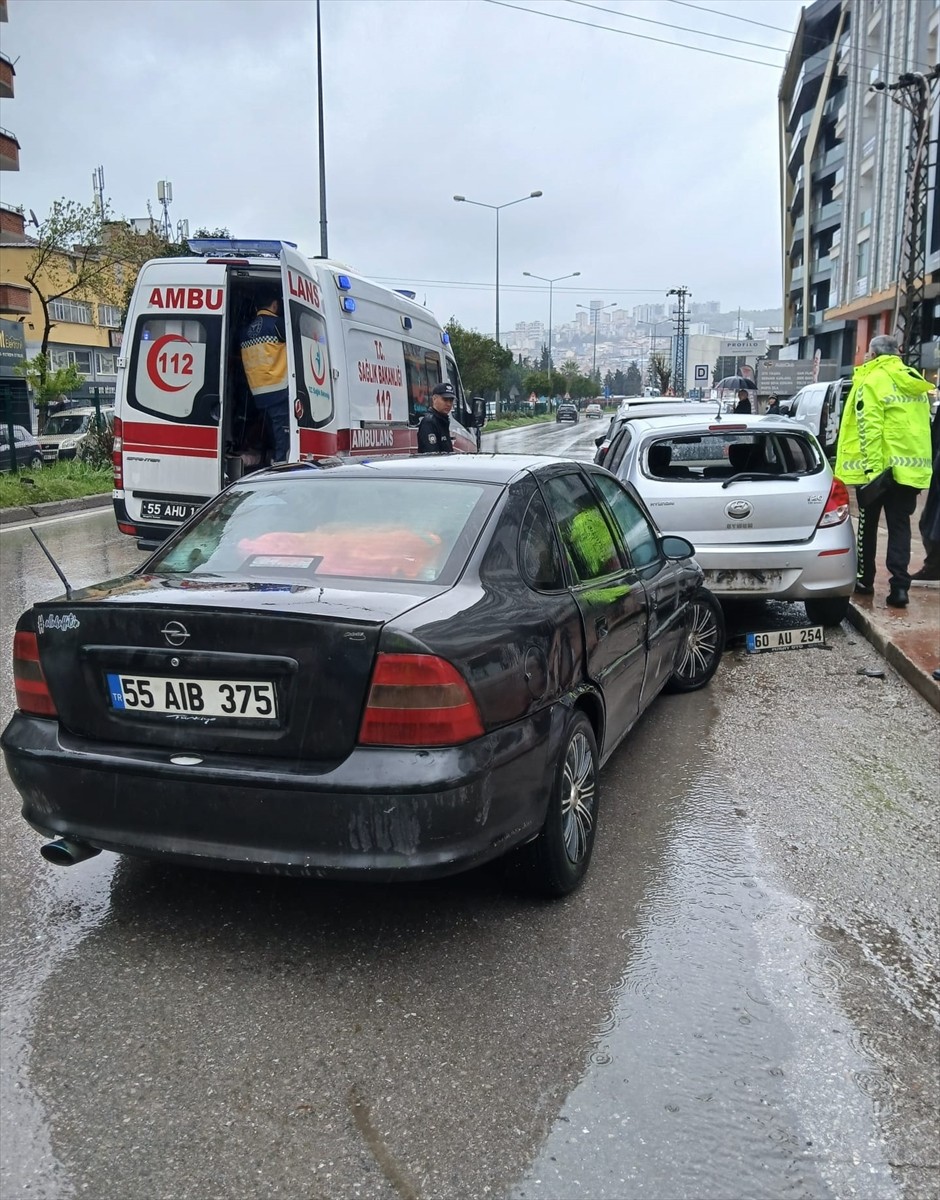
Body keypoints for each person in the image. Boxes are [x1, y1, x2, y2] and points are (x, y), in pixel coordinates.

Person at [834, 334, 933, 607]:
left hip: (879, 473)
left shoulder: (872, 380)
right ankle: (899, 588)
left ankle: (865, 580)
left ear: (874, 354)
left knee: (867, 526)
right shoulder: (913, 379)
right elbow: (920, 428)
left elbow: (869, 429)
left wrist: (872, 472)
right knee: (900, 528)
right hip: (908, 471)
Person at [239, 291, 290, 463]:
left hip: (258, 393)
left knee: (271, 431)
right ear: (275, 305)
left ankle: (272, 459)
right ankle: (280, 464)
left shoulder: (245, 331)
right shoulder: (278, 325)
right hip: (279, 389)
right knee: (282, 435)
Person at [417, 381, 456, 453]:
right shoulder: (429, 422)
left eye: (451, 400)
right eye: (445, 400)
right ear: (434, 399)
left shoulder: (443, 420)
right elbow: (431, 454)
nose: (448, 404)